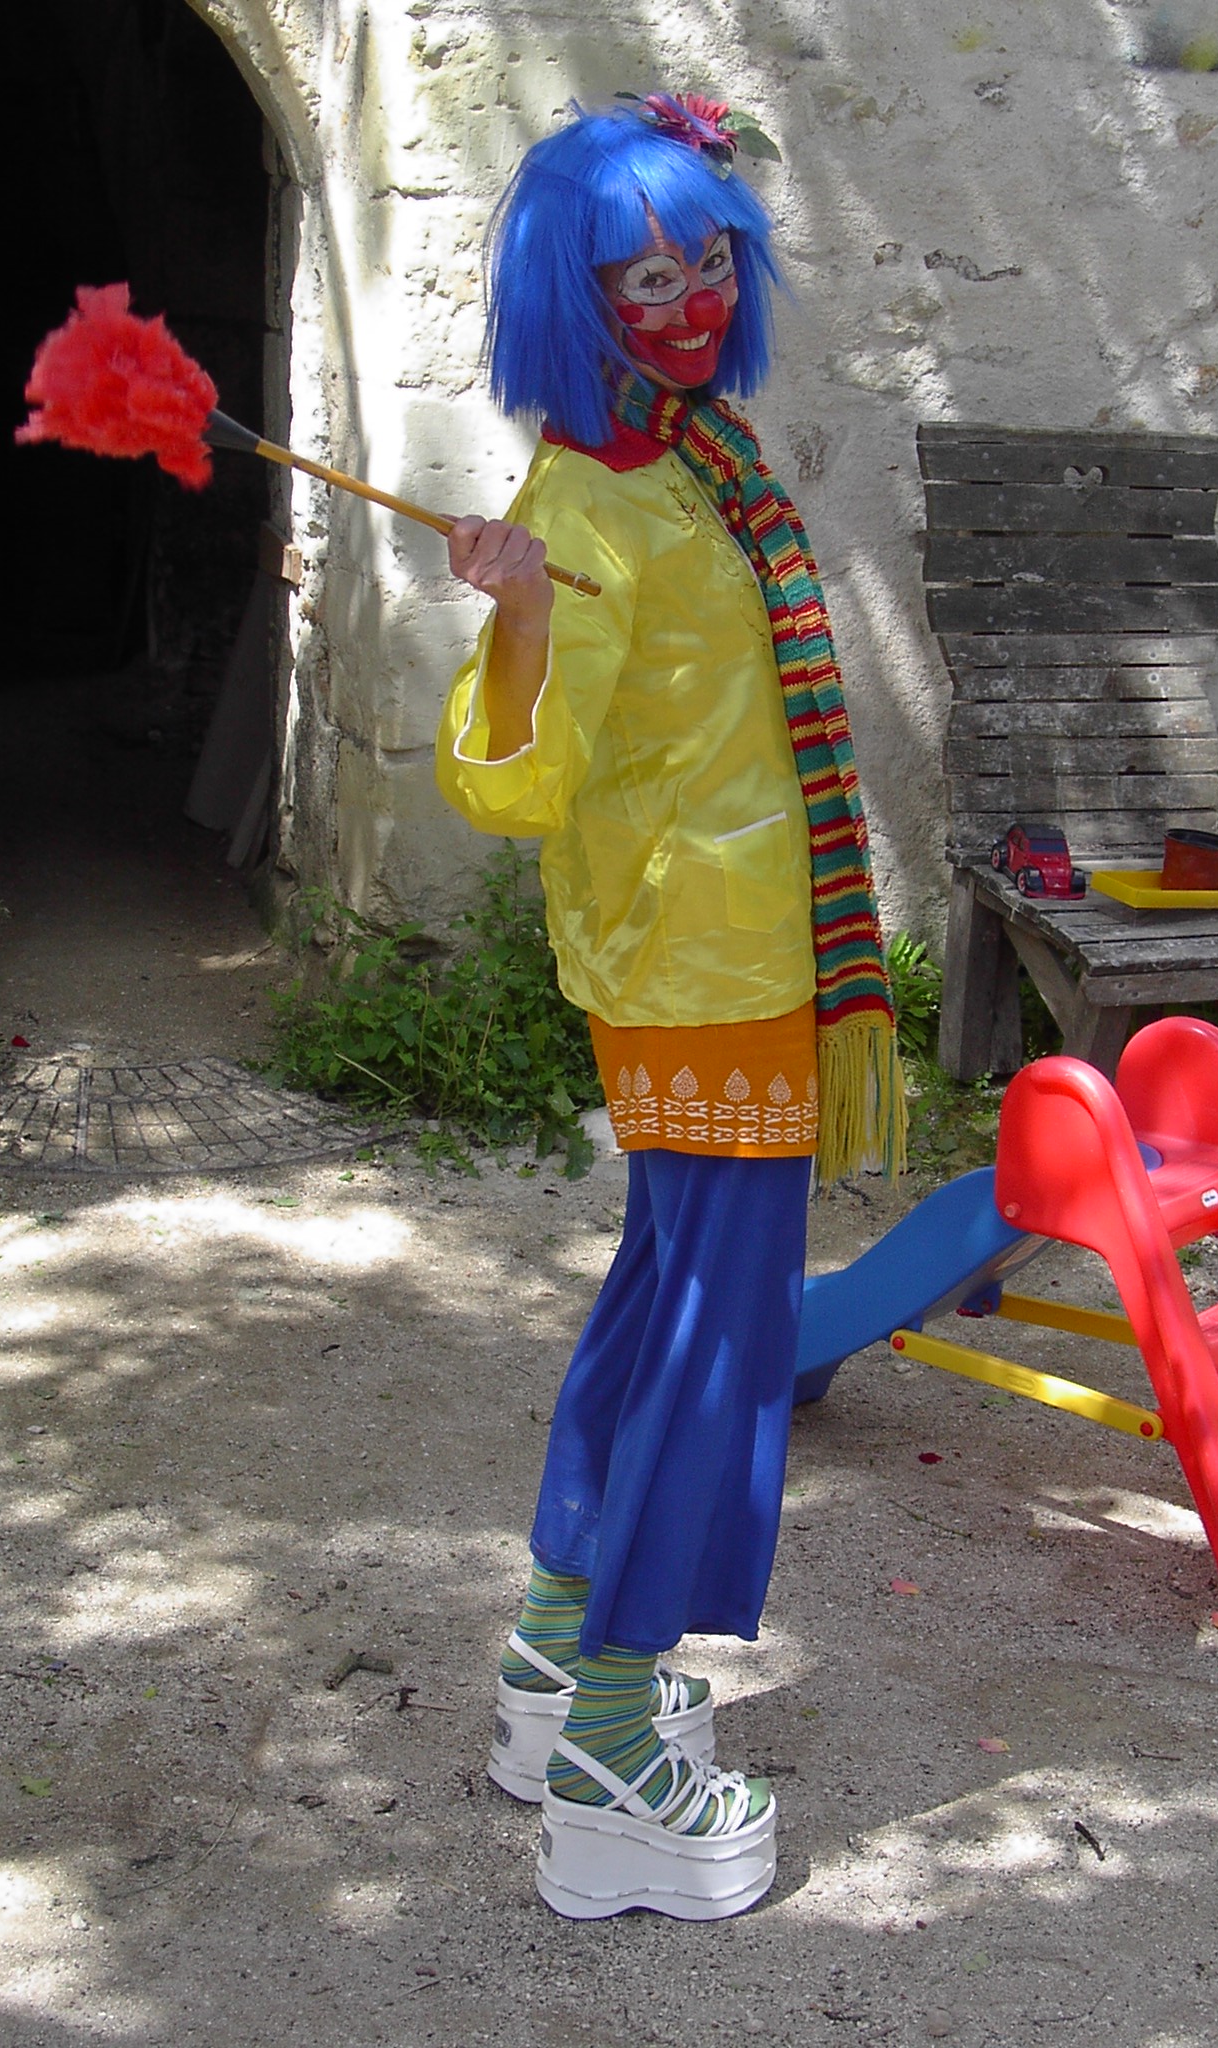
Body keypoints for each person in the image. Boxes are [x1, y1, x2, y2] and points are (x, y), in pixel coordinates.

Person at [434, 92, 903, 1921]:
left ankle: (556, 1659)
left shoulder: (696, 448)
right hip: (701, 975)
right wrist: (522, 617)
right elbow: (517, 787)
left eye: (710, 262)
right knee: (720, 1342)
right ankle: (620, 1756)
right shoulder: (585, 505)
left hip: (745, 961)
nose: (693, 303)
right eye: (649, 282)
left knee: (663, 1301)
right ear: (582, 300)